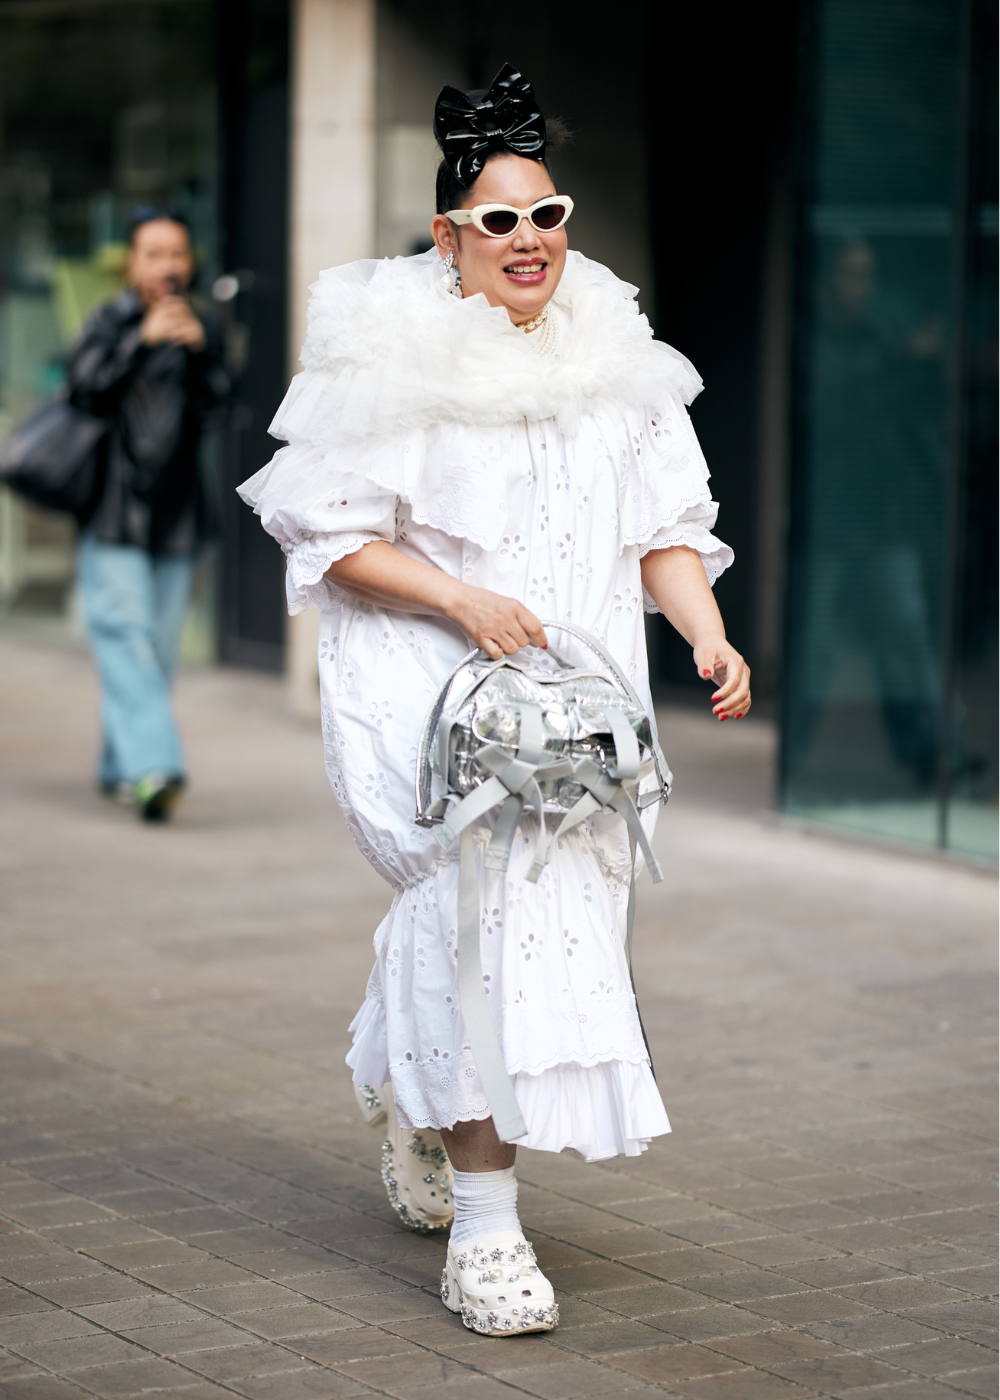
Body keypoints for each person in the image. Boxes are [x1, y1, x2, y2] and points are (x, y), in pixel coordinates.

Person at [241, 64, 750, 1335]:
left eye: (549, 213)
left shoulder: (614, 354)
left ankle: (413, 1089)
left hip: (583, 706)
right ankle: (485, 1230)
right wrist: (460, 602)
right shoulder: (389, 353)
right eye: (501, 219)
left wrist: (705, 631)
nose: (532, 241)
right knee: (481, 929)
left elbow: (662, 527)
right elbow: (326, 531)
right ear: (449, 233)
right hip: (438, 693)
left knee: (548, 936)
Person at [67, 208, 230, 821]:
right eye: (154, 254)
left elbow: (221, 407)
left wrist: (196, 351)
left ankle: (120, 765)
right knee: (124, 639)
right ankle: (155, 769)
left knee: (155, 652)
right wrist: (141, 343)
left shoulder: (203, 325)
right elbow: (83, 388)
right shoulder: (108, 322)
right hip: (113, 509)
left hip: (178, 514)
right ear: (132, 263)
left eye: (177, 254)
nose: (168, 266)